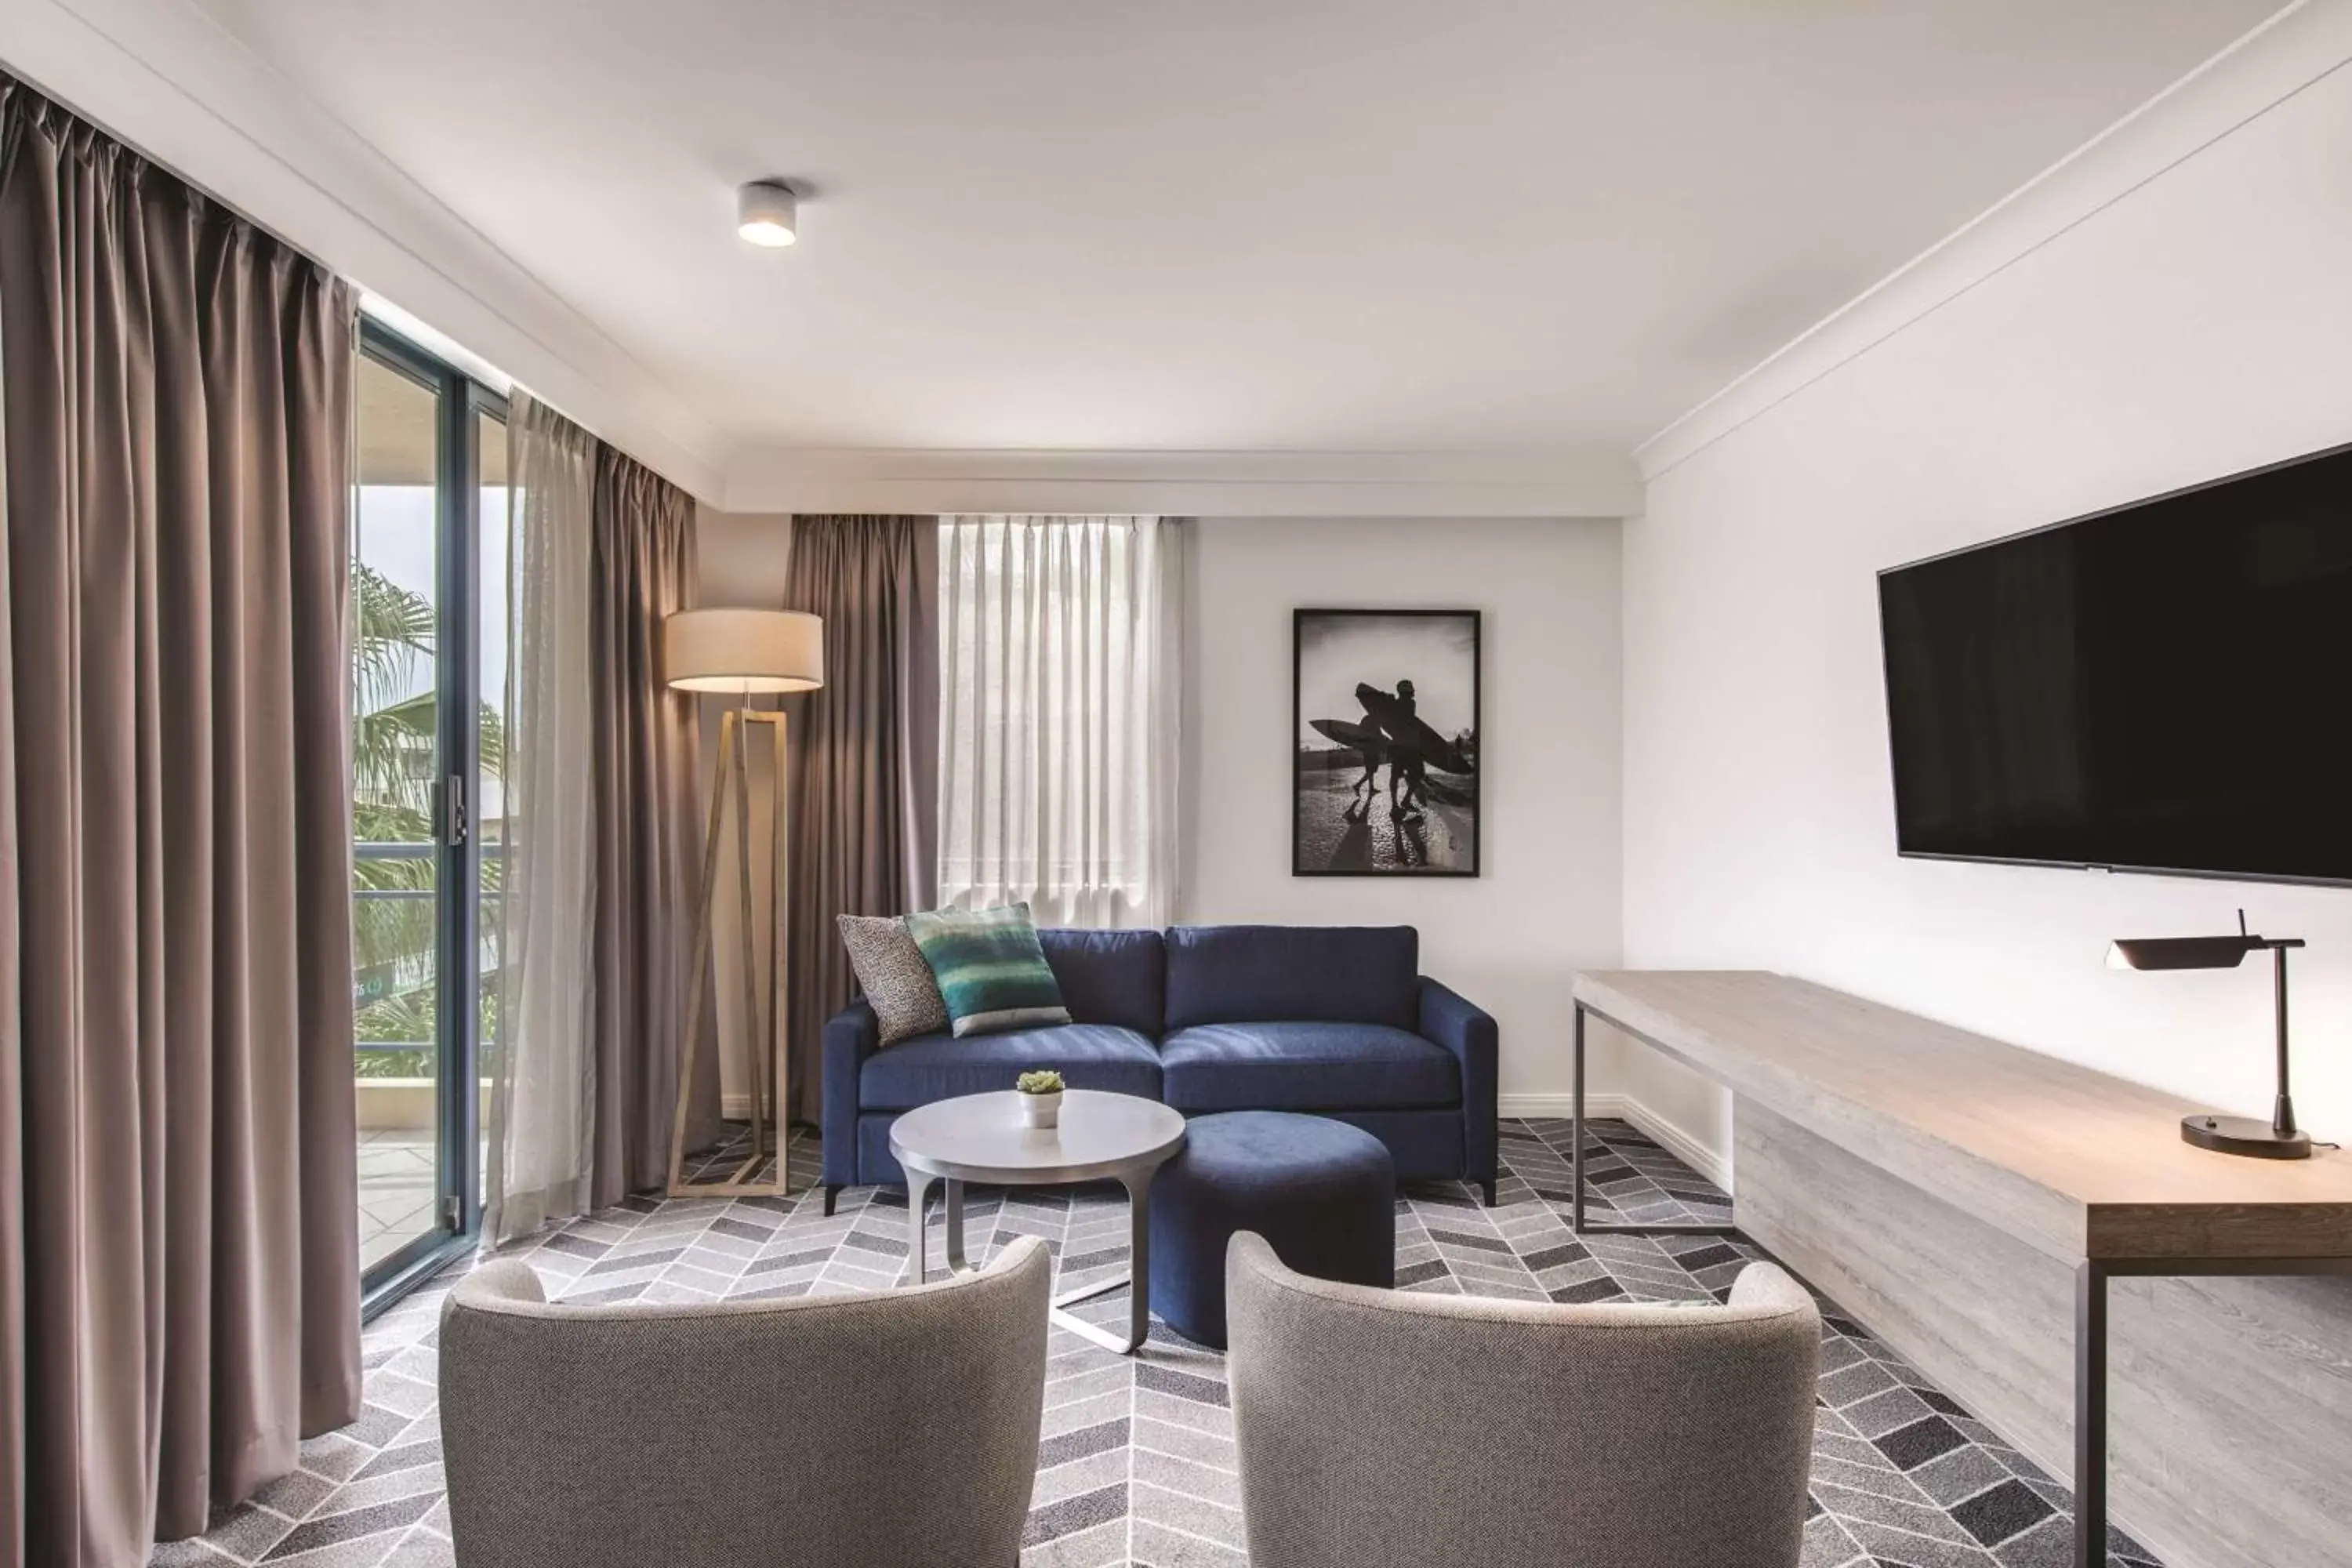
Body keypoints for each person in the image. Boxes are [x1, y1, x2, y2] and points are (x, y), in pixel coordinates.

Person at [1386, 678, 1429, 822]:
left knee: (1410, 775)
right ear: (1407, 692)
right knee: (1411, 775)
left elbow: (1396, 717)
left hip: (1403, 745)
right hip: (1407, 746)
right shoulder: (1407, 703)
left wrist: (1388, 700)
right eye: (1410, 691)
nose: (1412, 693)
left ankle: (1400, 802)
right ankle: (1397, 803)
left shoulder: (1402, 704)